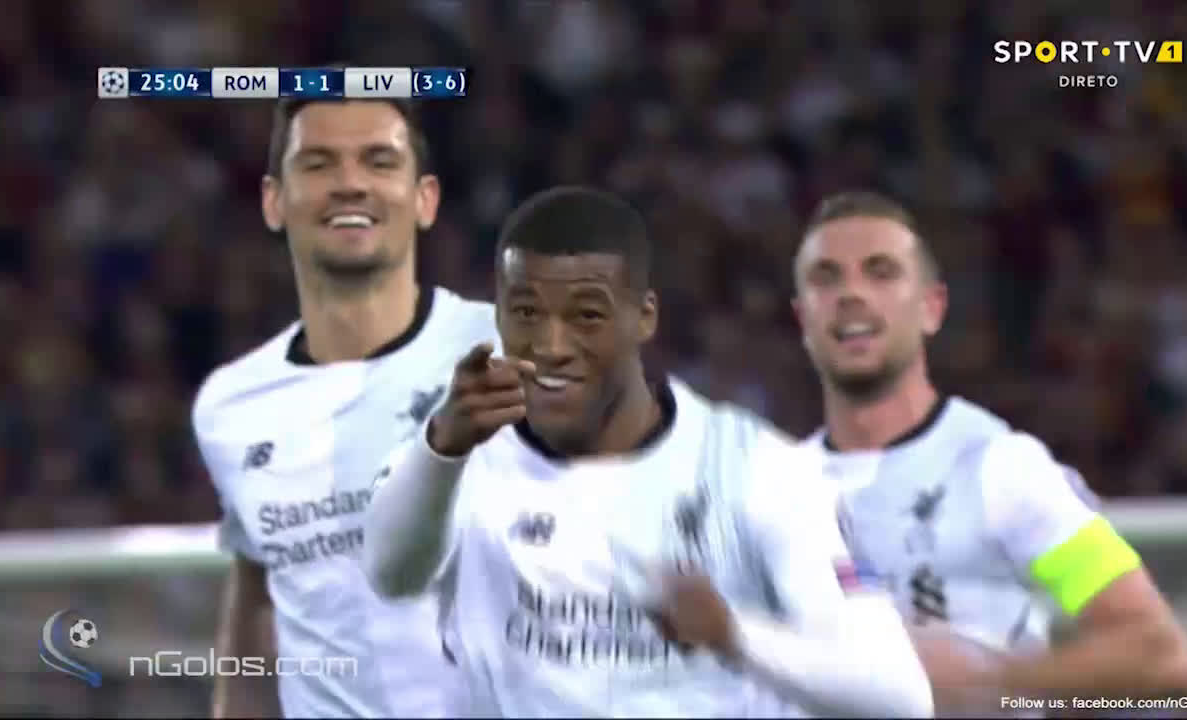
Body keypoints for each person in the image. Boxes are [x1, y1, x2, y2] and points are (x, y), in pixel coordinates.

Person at [363, 186, 934, 718]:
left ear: (644, 316)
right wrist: (442, 451)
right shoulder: (455, 451)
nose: (551, 346)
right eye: (526, 312)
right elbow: (390, 576)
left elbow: (899, 697)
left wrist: (733, 634)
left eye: (587, 315)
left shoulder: (754, 467)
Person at [790, 191, 1187, 713]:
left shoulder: (1001, 468)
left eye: (881, 272)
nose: (851, 293)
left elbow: (1162, 658)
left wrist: (990, 680)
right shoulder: (773, 491)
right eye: (827, 277)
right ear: (802, 319)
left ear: (932, 308)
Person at [192, 97, 494, 718]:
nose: (350, 183)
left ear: (425, 199)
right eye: (318, 164)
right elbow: (261, 604)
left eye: (379, 162)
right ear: (274, 201)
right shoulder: (230, 405)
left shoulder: (508, 351)